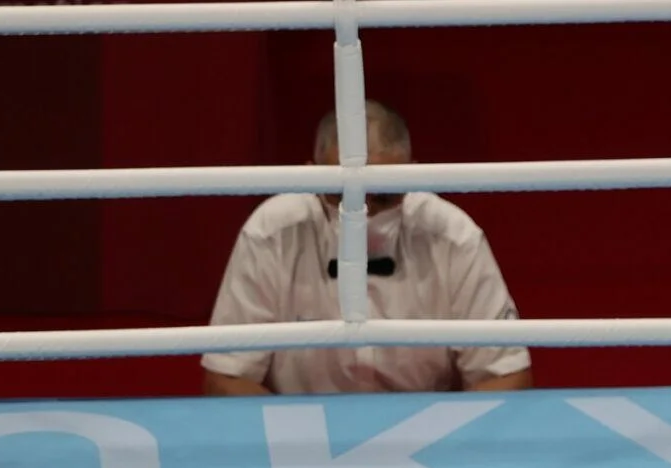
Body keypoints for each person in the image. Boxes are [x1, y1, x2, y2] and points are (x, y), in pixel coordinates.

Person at [200, 102, 533, 397]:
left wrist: (440, 437)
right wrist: (300, 436)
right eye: (342, 195)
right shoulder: (271, 233)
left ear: (412, 176)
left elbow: (507, 376)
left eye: (384, 195)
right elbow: (225, 378)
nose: (364, 214)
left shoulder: (454, 237)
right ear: (312, 175)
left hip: (425, 429)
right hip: (303, 436)